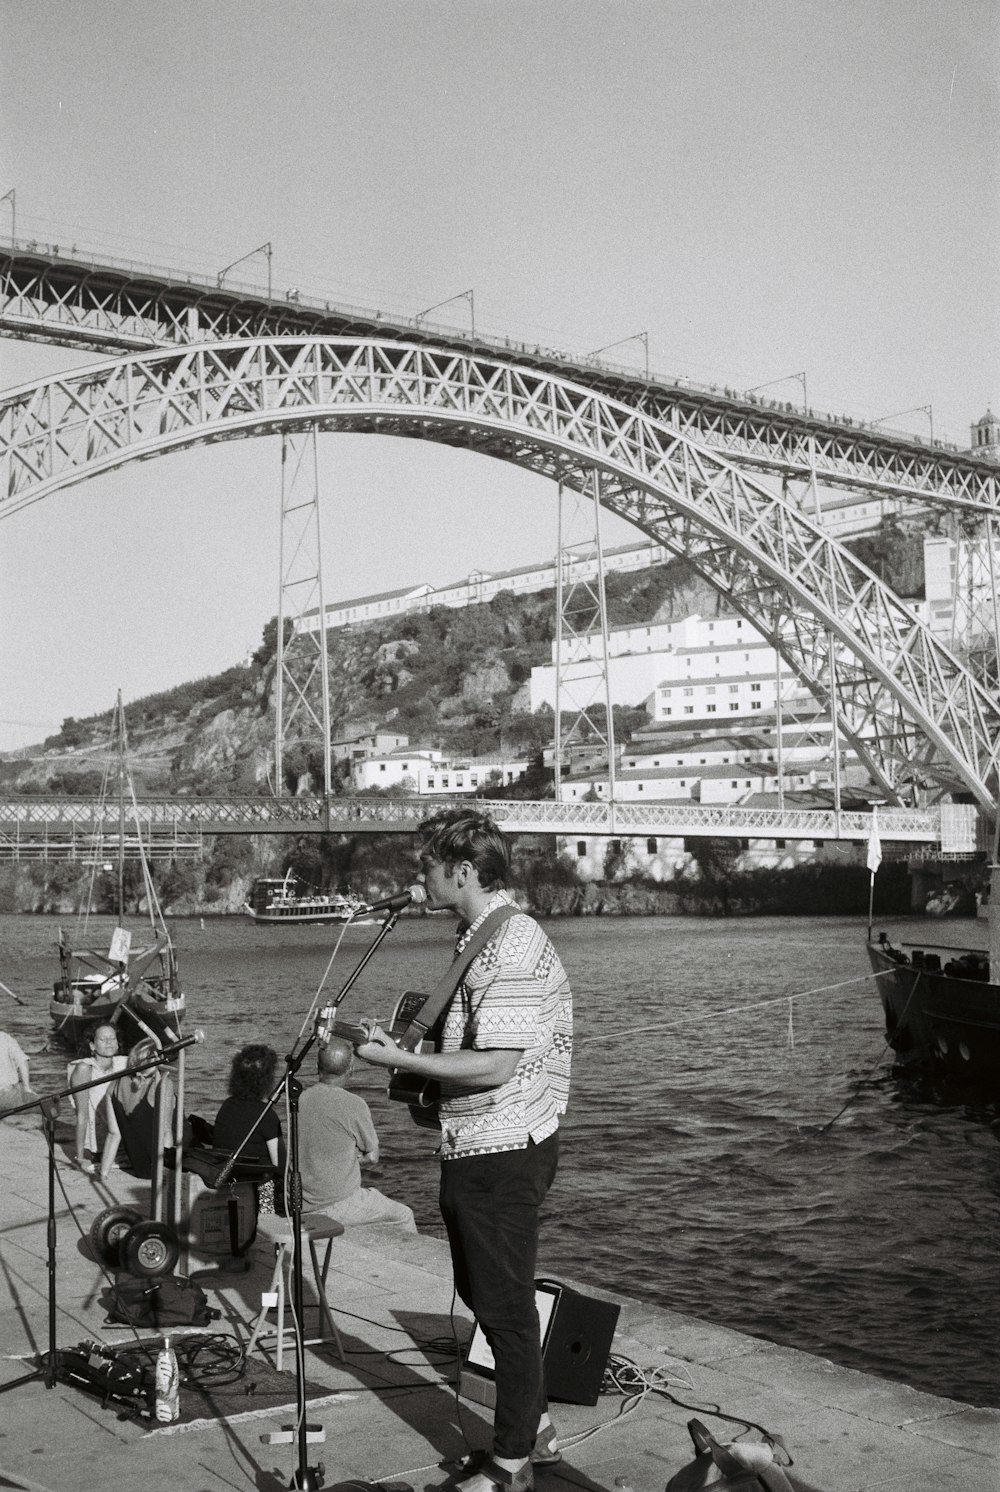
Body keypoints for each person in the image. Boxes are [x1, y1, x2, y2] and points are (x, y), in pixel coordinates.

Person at [356, 809, 573, 1492]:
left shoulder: (508, 945)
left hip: (502, 1145)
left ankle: (510, 1464)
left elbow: (495, 1065)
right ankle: (533, 1429)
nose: (417, 875)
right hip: (481, 1142)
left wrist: (396, 1059)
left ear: (464, 870)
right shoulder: (480, 934)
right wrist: (406, 1050)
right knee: (485, 1294)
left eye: (426, 864)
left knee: (502, 1306)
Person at [299, 1036, 416, 1231]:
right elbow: (372, 1157)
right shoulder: (354, 1103)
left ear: (317, 1067)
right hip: (335, 1204)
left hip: (304, 1203)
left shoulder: (302, 1098)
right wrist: (350, 1159)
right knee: (404, 1215)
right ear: (351, 1070)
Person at [213, 1043, 285, 1213]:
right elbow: (280, 1165)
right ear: (267, 1080)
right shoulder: (267, 1115)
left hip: (229, 1187)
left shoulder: (226, 1107)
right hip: (258, 1195)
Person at [103, 1038, 175, 1180]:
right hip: (159, 1168)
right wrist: (168, 1175)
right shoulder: (162, 1084)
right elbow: (166, 1132)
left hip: (140, 1168)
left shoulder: (115, 1084)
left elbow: (113, 1134)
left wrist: (103, 1174)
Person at [68, 1023, 127, 1173]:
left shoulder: (125, 1064)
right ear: (92, 1046)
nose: (109, 1042)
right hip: (96, 1146)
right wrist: (80, 1158)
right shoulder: (85, 1069)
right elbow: (81, 1115)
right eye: (103, 1039)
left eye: (112, 1038)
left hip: (119, 1141)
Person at [0, 1028, 40, 1115]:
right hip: (6, 1095)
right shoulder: (5, 1038)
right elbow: (22, 1061)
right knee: (45, 1104)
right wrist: (27, 1088)